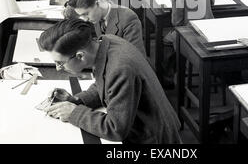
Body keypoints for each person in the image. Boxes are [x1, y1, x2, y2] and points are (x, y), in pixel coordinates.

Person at [39, 19, 182, 144]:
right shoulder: (107, 42)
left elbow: (115, 129)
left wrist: (74, 113)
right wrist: (77, 100)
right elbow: (106, 83)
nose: (58, 68)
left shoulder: (120, 68)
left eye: (60, 63)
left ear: (80, 56)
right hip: (146, 126)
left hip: (155, 139)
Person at [67, 0, 146, 57]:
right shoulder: (97, 16)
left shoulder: (128, 18)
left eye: (86, 14)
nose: (85, 19)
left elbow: (136, 56)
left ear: (98, 4)